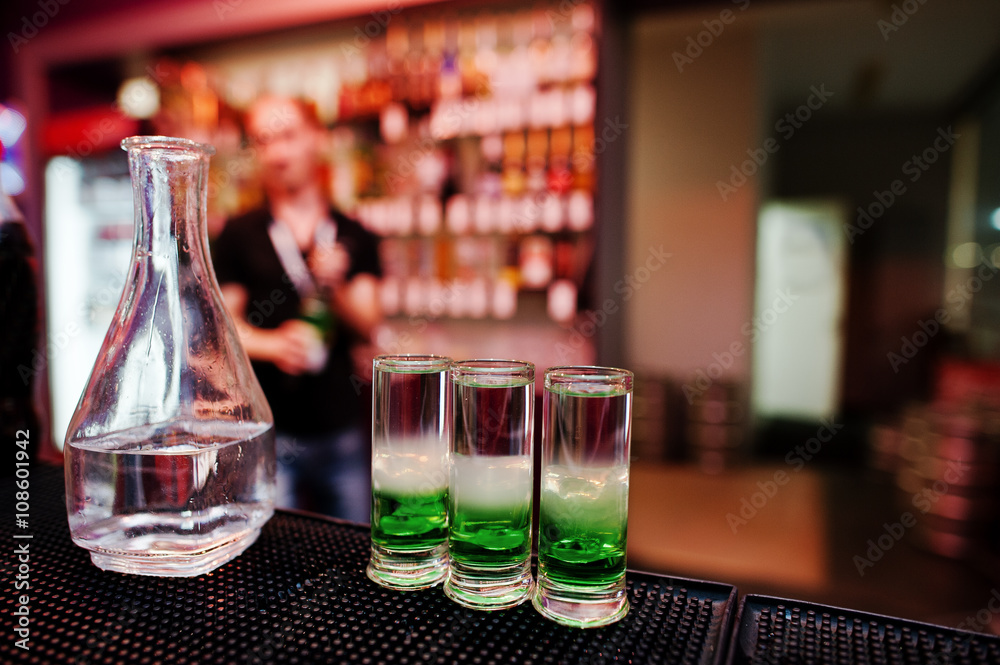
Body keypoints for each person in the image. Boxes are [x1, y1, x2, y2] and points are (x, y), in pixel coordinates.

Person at [212, 95, 381, 522]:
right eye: (264, 140)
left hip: (339, 425)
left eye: (288, 136)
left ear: (316, 139)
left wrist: (335, 285)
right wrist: (274, 345)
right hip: (266, 428)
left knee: (351, 547)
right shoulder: (238, 233)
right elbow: (222, 327)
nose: (278, 152)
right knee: (272, 562)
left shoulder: (353, 232)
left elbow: (369, 325)